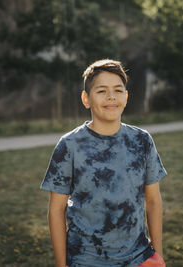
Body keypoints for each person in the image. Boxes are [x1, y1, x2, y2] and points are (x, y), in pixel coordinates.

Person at [41, 59, 167, 267]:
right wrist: (61, 265)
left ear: (126, 97)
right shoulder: (69, 145)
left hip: (138, 258)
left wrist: (158, 255)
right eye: (101, 91)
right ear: (86, 99)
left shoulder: (142, 141)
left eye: (118, 90)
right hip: (85, 260)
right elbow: (56, 209)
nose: (111, 97)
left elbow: (153, 201)